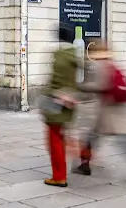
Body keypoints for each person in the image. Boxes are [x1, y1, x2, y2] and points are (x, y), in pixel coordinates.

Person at [74, 44, 126, 186]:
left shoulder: (100, 65)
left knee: (125, 142)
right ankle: (85, 164)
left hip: (110, 111)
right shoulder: (111, 62)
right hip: (116, 109)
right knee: (96, 138)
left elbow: (102, 85)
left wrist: (83, 87)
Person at [40, 25, 79, 187]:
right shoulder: (75, 54)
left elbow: (55, 81)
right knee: (61, 136)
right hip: (70, 102)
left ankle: (59, 176)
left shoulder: (59, 55)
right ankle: (83, 154)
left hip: (56, 102)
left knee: (54, 140)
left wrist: (45, 100)